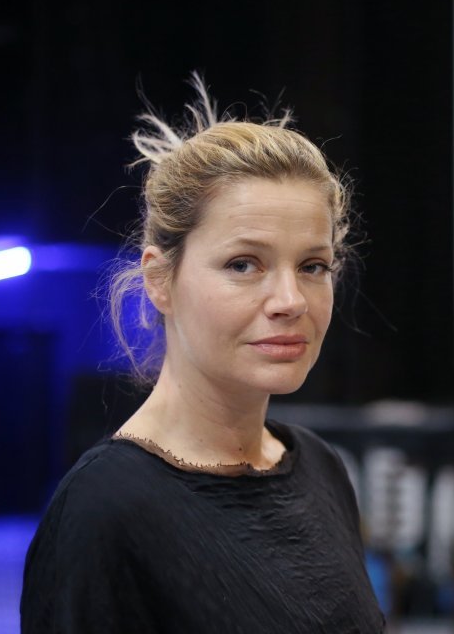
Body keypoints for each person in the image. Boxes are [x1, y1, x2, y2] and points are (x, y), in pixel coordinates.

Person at [21, 76, 385, 633]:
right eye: (243, 264)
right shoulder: (104, 510)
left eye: (313, 266)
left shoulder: (319, 467)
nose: (291, 301)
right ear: (159, 279)